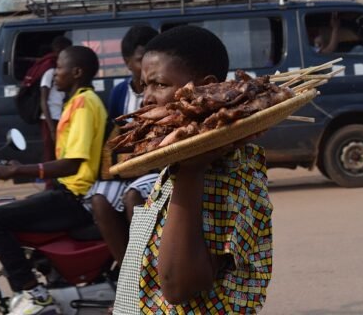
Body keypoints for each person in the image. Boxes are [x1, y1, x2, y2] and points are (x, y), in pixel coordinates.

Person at [112, 26, 273, 314]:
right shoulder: (184, 162)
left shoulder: (222, 171)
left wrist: (190, 173)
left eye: (159, 84)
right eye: (143, 85)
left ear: (206, 89)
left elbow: (177, 286)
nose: (146, 98)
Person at [0, 45, 107, 315]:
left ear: (76, 72)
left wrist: (17, 172)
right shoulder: (76, 101)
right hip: (67, 192)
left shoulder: (84, 104)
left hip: (75, 197)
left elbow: (72, 163)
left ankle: (33, 293)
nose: (55, 74)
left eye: (59, 68)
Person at [83, 25, 159, 266]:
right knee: (98, 199)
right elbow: (116, 136)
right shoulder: (118, 93)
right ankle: (127, 272)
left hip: (157, 167)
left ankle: (148, 272)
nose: (146, 66)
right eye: (139, 61)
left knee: (132, 197)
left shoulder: (162, 89)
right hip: (129, 168)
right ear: (128, 63)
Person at [39, 36, 72, 190]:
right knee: (49, 152)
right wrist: (51, 127)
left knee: (61, 150)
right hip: (49, 118)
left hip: (61, 116)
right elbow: (43, 100)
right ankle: (49, 183)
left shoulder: (66, 73)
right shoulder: (50, 73)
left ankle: (58, 181)